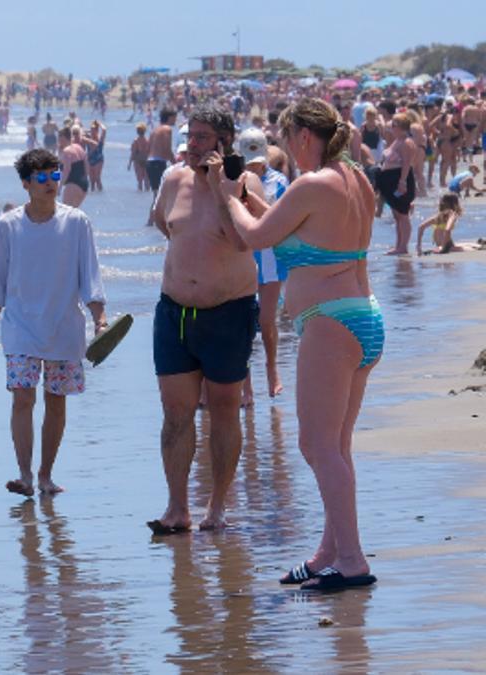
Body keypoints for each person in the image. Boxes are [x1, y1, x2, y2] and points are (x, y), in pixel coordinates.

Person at [214, 97, 381, 591]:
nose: (287, 149)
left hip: (332, 323)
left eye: (287, 140)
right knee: (337, 446)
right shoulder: (356, 179)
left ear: (303, 137)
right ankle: (330, 550)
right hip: (363, 318)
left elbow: (257, 238)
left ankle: (352, 560)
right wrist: (249, 194)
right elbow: (293, 233)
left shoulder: (313, 183)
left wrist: (228, 197)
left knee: (315, 445)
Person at [148, 104, 263, 534]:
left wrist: (220, 190)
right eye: (189, 136)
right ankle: (177, 508)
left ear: (223, 142)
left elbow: (241, 240)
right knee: (175, 410)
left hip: (229, 311)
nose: (192, 145)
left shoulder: (243, 184)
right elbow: (165, 224)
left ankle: (217, 506)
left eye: (201, 137)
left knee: (223, 409)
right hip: (175, 310)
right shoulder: (173, 179)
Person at [0, 149, 107, 496]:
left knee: (56, 401)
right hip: (19, 329)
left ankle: (46, 475)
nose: (51, 183)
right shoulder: (7, 226)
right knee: (22, 399)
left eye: (55, 175)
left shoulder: (77, 222)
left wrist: (100, 319)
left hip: (64, 327)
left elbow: (90, 277)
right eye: (43, 178)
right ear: (26, 184)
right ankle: (25, 475)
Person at [236, 127, 290, 399]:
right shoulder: (234, 180)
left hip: (270, 256)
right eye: (250, 163)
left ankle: (272, 368)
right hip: (244, 257)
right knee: (244, 322)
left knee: (267, 320)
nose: (254, 167)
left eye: (257, 163)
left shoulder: (279, 181)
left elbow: (283, 219)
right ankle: (246, 384)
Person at [379, 113, 418, 255]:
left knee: (403, 214)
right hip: (389, 180)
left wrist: (402, 182)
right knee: (397, 215)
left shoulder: (407, 142)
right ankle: (399, 245)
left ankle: (403, 247)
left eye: (393, 125)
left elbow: (407, 164)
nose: (391, 127)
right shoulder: (397, 141)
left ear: (401, 127)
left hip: (400, 180)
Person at [146, 107, 177, 224]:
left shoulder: (155, 129)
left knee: (157, 194)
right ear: (169, 118)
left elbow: (148, 148)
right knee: (160, 195)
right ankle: (155, 220)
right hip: (158, 163)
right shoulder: (167, 129)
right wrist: (177, 165)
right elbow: (167, 149)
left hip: (150, 162)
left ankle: (152, 220)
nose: (175, 120)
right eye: (174, 118)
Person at [57, 128, 88, 207]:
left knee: (66, 213)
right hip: (84, 184)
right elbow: (86, 165)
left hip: (73, 184)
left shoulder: (66, 151)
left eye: (59, 138)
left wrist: (60, 188)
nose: (58, 140)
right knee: (74, 213)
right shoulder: (78, 147)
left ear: (63, 138)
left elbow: (67, 170)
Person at [129, 123, 150, 191]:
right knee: (147, 180)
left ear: (137, 131)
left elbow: (133, 153)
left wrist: (129, 163)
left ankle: (140, 193)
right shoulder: (148, 141)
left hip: (138, 161)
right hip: (147, 160)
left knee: (140, 180)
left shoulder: (136, 141)